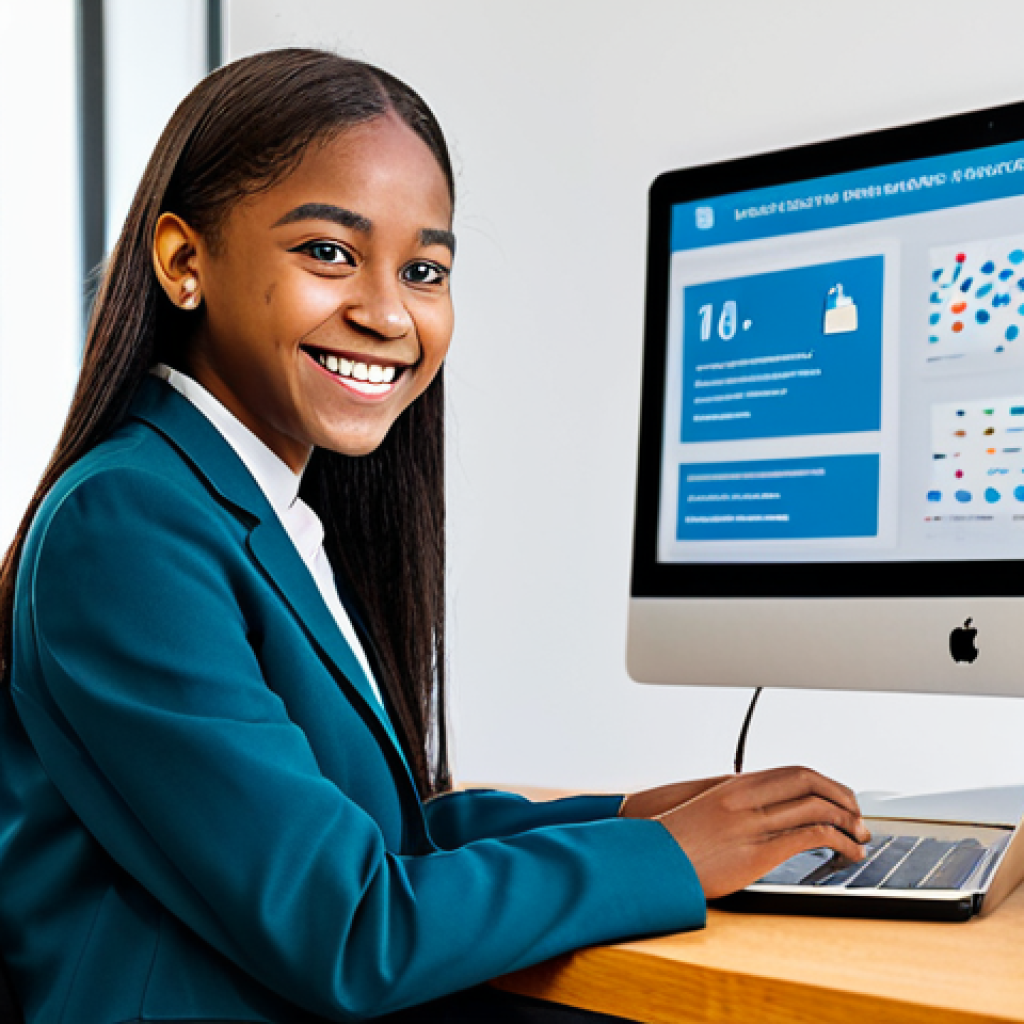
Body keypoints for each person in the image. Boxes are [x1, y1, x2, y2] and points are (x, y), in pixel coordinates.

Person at [0, 49, 869, 1024]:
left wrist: (631, 816)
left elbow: (375, 833)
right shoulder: (125, 524)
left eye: (423, 270)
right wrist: (665, 858)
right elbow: (348, 922)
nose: (385, 312)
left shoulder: (257, 508)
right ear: (183, 261)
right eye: (328, 252)